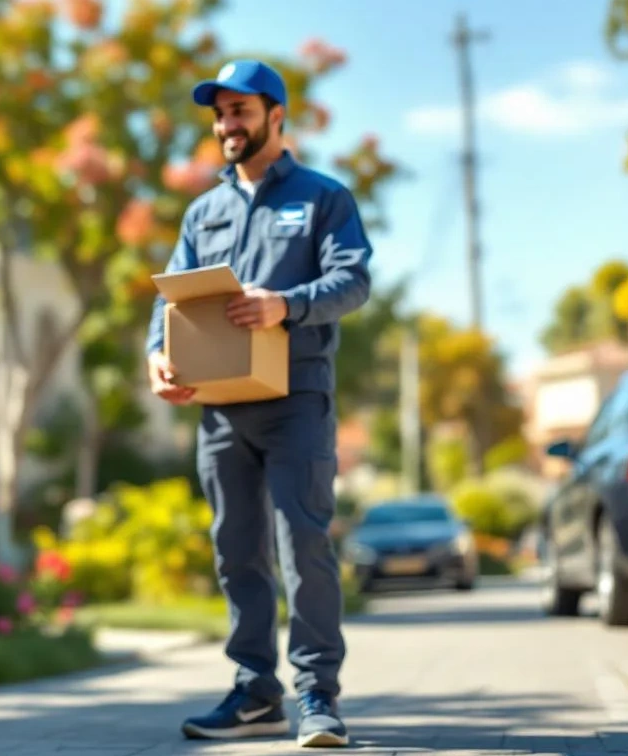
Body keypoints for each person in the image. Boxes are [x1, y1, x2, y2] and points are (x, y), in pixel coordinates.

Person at [144, 59, 373, 749]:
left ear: (277, 115)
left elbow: (353, 280)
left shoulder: (323, 197)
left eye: (240, 111)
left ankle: (317, 697)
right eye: (219, 114)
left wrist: (286, 304)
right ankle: (255, 693)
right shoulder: (203, 212)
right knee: (235, 550)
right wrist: (159, 356)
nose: (226, 125)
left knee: (302, 543)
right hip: (217, 406)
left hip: (295, 399)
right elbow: (172, 300)